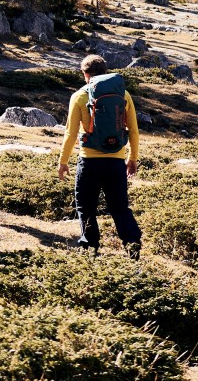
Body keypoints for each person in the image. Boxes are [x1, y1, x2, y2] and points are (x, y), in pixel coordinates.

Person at [57, 53, 143, 258]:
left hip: (89, 162)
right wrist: (132, 158)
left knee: (86, 207)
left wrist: (63, 161)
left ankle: (90, 250)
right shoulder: (124, 95)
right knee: (120, 207)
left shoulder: (79, 96)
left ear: (85, 74)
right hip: (116, 162)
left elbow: (70, 133)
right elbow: (133, 131)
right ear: (106, 72)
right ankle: (132, 246)